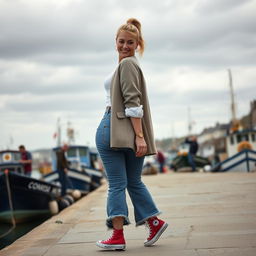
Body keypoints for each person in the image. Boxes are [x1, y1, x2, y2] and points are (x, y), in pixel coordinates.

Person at [95, 18, 168, 251]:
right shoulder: (127, 64)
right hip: (125, 129)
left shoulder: (127, 65)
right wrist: (138, 135)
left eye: (130, 42)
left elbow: (133, 103)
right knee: (134, 181)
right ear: (115, 42)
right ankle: (154, 222)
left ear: (138, 44)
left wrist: (139, 136)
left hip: (115, 127)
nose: (125, 46)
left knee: (117, 184)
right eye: (121, 41)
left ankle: (117, 236)